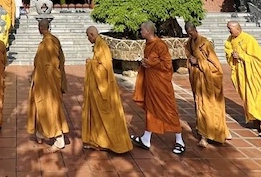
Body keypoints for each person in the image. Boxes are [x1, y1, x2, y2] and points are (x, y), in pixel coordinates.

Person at [131, 21, 186, 155]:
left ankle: (180, 140)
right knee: (151, 109)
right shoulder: (148, 44)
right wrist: (146, 63)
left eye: (142, 30)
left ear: (149, 31)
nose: (141, 32)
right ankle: (146, 138)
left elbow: (167, 65)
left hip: (161, 84)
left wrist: (151, 63)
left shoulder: (160, 45)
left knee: (168, 110)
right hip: (151, 83)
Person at [81, 26, 132, 153]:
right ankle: (98, 140)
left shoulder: (102, 46)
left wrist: (90, 63)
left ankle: (111, 143)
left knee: (107, 116)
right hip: (99, 88)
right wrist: (93, 62)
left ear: (92, 34)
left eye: (88, 36)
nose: (88, 39)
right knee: (97, 115)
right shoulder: (99, 45)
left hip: (104, 88)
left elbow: (104, 69)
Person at [184, 22, 230, 147]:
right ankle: (203, 134)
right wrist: (192, 63)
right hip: (198, 82)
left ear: (195, 29)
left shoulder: (205, 44)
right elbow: (189, 59)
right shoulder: (189, 44)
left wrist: (199, 62)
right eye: (188, 33)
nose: (190, 34)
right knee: (200, 107)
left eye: (191, 32)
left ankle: (215, 134)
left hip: (208, 82)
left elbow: (216, 67)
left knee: (210, 107)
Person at [27, 19, 69, 151]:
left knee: (49, 107)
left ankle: (59, 138)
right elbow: (61, 60)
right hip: (52, 79)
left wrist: (35, 77)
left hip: (46, 83)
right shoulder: (54, 40)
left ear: (40, 28)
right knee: (40, 106)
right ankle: (41, 132)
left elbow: (42, 65)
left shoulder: (46, 44)